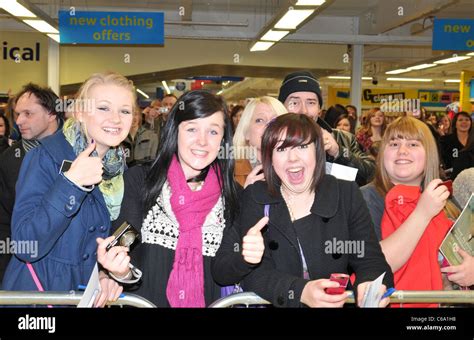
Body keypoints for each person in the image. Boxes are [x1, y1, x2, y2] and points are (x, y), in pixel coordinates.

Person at [213, 113, 393, 307]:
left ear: (317, 151)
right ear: (269, 158)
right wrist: (299, 291)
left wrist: (370, 286)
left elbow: (371, 260)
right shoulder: (256, 196)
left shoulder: (345, 194)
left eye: (302, 146)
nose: (292, 158)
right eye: (281, 149)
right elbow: (234, 272)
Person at [2, 72, 133, 307]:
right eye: (104, 108)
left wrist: (106, 273)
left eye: (125, 111)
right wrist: (70, 184)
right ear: (81, 113)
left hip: (84, 295)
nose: (116, 119)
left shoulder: (118, 171)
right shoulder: (45, 156)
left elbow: (100, 240)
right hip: (42, 298)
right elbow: (25, 244)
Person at [98, 90, 240, 307]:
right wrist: (117, 270)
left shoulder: (233, 195)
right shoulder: (141, 182)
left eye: (213, 132)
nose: (202, 141)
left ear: (223, 139)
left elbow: (227, 272)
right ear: (175, 131)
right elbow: (126, 250)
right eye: (192, 129)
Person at [360, 116, 456, 307]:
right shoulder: (364, 199)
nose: (402, 151)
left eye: (413, 144)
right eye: (394, 144)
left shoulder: (445, 201)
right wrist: (422, 214)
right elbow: (372, 265)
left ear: (429, 154)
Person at [0, 84, 64, 285]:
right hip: (24, 266)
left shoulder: (77, 152)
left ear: (52, 113)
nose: (19, 121)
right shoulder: (9, 159)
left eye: (28, 113)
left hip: (69, 265)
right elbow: (5, 219)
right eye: (18, 114)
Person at [278, 71, 375, 186]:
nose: (303, 110)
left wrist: (338, 152)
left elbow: (370, 174)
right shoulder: (273, 142)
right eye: (294, 102)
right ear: (281, 106)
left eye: (311, 103)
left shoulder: (343, 138)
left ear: (319, 108)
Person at [232, 96, 287, 187]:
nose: (269, 126)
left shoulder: (296, 168)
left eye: (275, 120)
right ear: (247, 132)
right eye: (260, 120)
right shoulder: (230, 174)